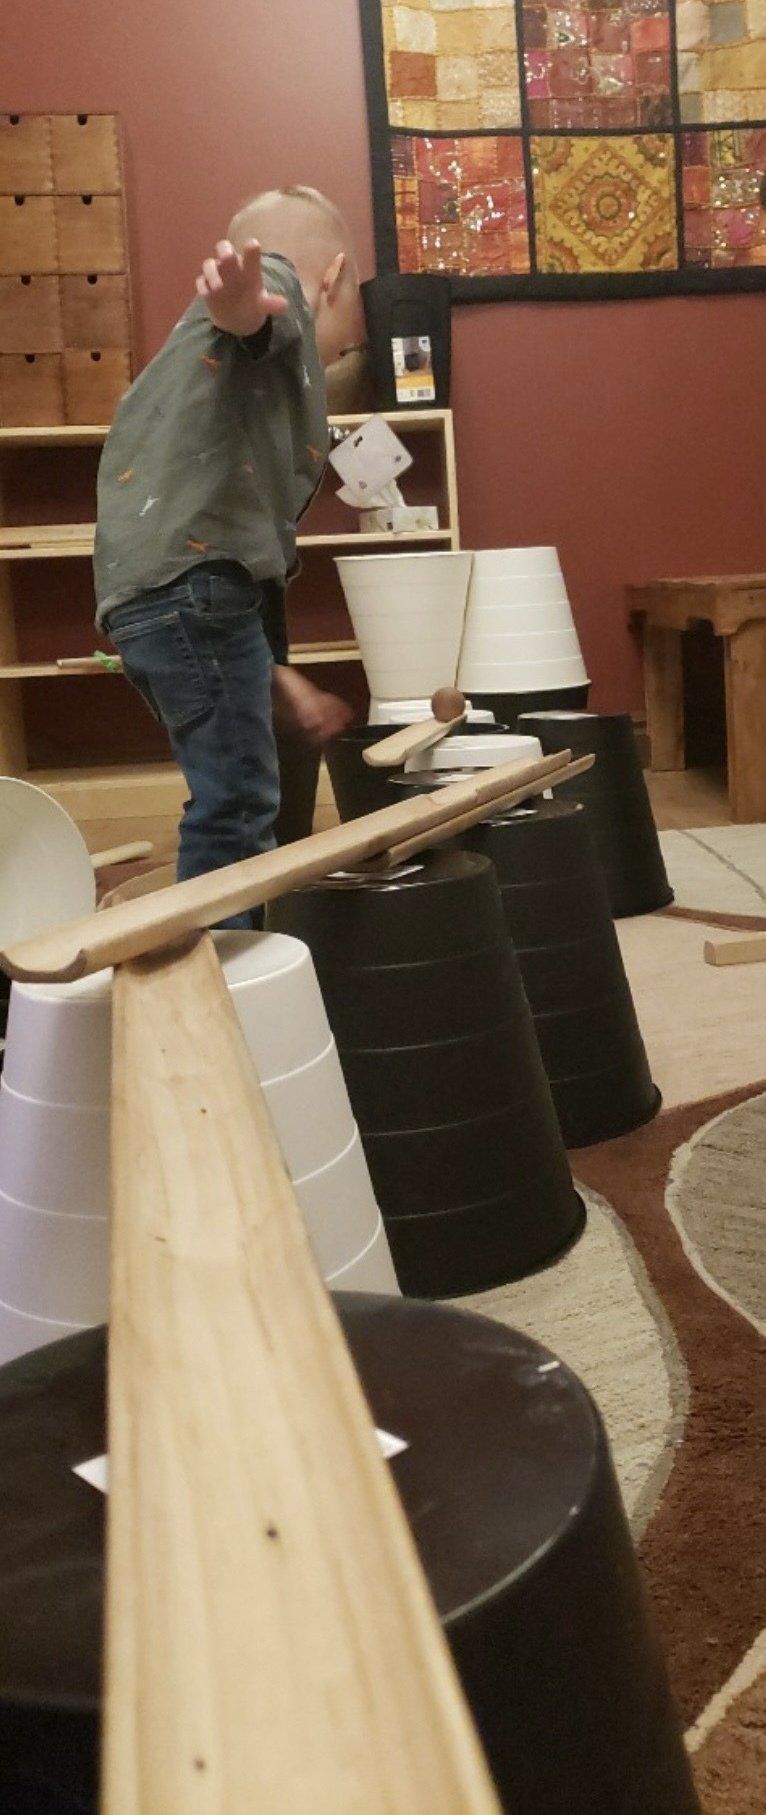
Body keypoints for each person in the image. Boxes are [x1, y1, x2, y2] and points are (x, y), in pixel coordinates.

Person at [93, 186, 364, 925]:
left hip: (162, 598)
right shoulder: (279, 288)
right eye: (350, 338)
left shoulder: (208, 383)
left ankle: (238, 934)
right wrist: (245, 303)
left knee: (232, 776)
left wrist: (280, 682)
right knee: (237, 800)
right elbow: (257, 315)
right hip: (193, 589)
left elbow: (221, 618)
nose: (342, 353)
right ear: (335, 277)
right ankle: (227, 956)